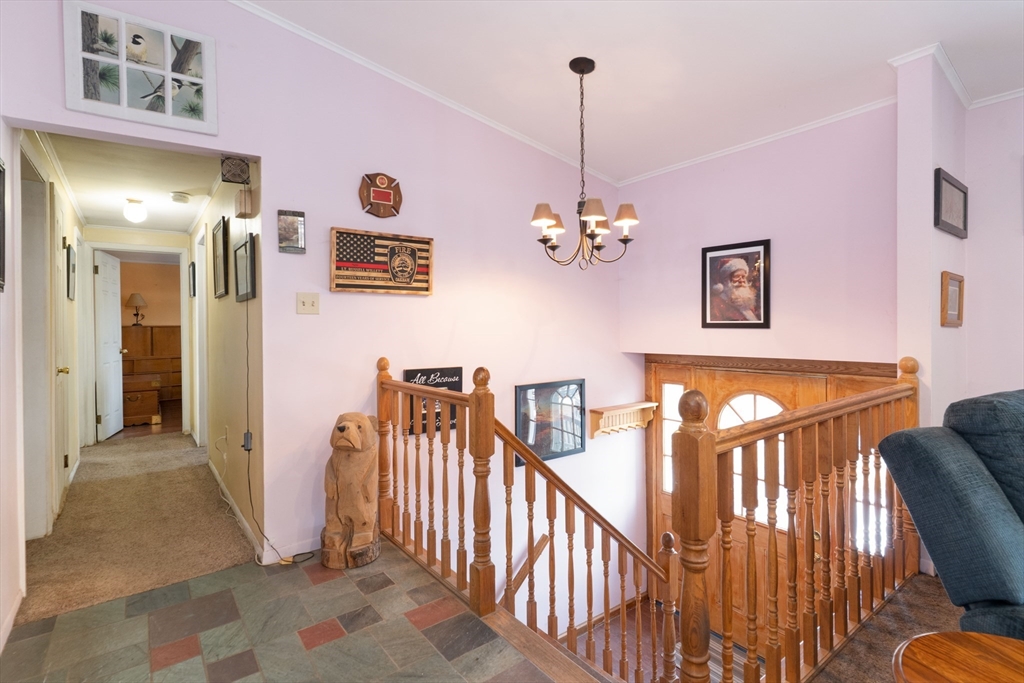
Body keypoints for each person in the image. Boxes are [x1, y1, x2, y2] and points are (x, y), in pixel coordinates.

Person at [710, 257, 760, 322]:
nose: (741, 280)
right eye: (736, 276)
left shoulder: (747, 301)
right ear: (726, 280)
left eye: (743, 277)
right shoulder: (716, 302)